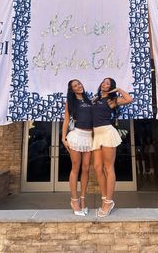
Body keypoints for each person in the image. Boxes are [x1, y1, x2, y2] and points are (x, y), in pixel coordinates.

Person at [92, 77, 133, 217]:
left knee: (108, 168)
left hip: (107, 132)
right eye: (103, 82)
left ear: (111, 87)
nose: (104, 84)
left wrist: (118, 90)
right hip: (96, 134)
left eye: (108, 83)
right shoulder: (95, 99)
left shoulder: (111, 101)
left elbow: (129, 99)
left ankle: (109, 201)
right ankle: (105, 198)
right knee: (98, 167)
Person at [62, 79, 93, 216]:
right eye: (75, 86)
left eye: (79, 83)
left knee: (86, 168)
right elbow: (67, 120)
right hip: (76, 136)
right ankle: (74, 201)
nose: (78, 86)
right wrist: (63, 138)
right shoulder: (71, 102)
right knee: (76, 167)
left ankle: (83, 200)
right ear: (72, 89)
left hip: (89, 137)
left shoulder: (89, 100)